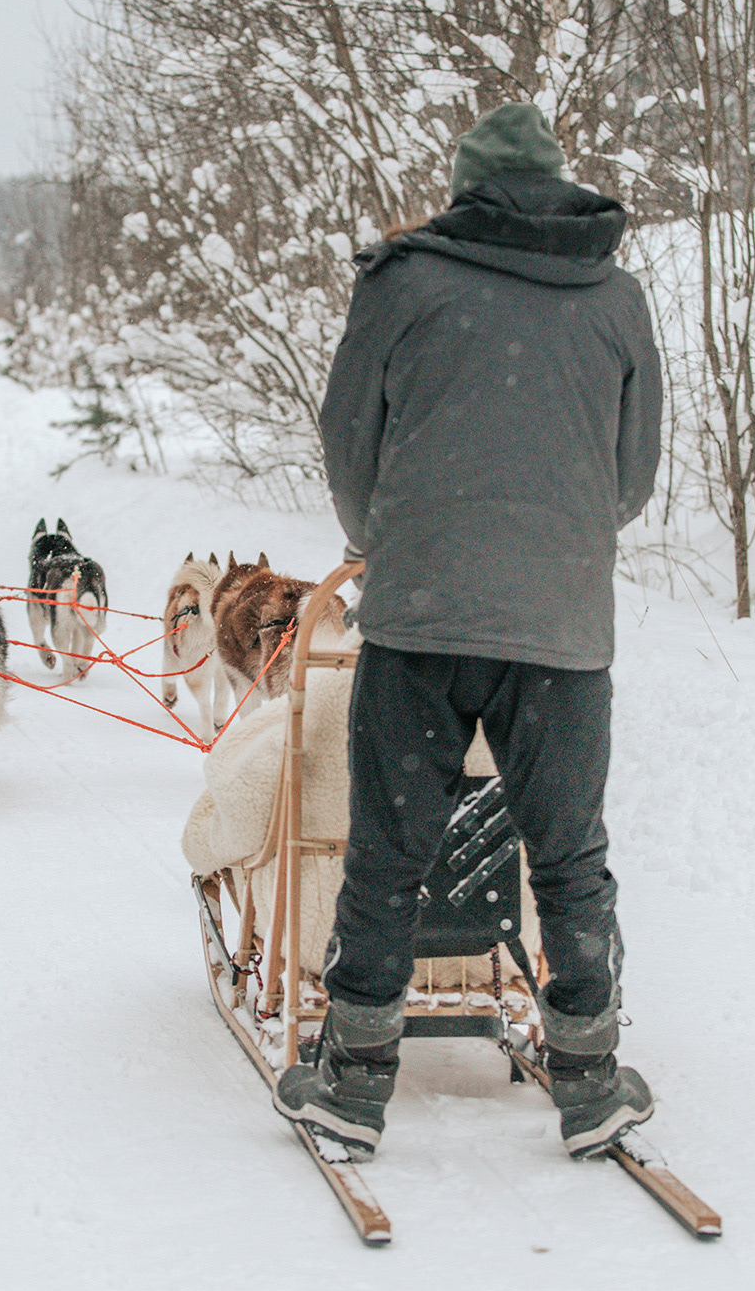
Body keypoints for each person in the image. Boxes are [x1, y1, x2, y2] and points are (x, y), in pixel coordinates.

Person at [273, 102, 663, 1161]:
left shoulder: (401, 282)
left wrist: (381, 536)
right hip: (565, 627)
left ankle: (353, 1080)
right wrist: (555, 537)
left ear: (464, 189)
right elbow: (631, 477)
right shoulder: (617, 296)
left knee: (390, 849)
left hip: (423, 615)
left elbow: (350, 434)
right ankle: (587, 1075)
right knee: (569, 854)